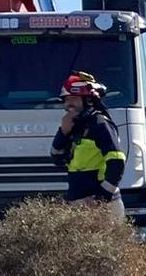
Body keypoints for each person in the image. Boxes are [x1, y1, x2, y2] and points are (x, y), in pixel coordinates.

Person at [50, 72, 126, 206]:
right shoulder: (73, 125)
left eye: (74, 98)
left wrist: (102, 198)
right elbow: (57, 158)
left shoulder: (99, 123)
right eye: (66, 99)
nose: (69, 104)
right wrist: (63, 133)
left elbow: (117, 161)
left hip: (102, 204)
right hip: (77, 202)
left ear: (88, 100)